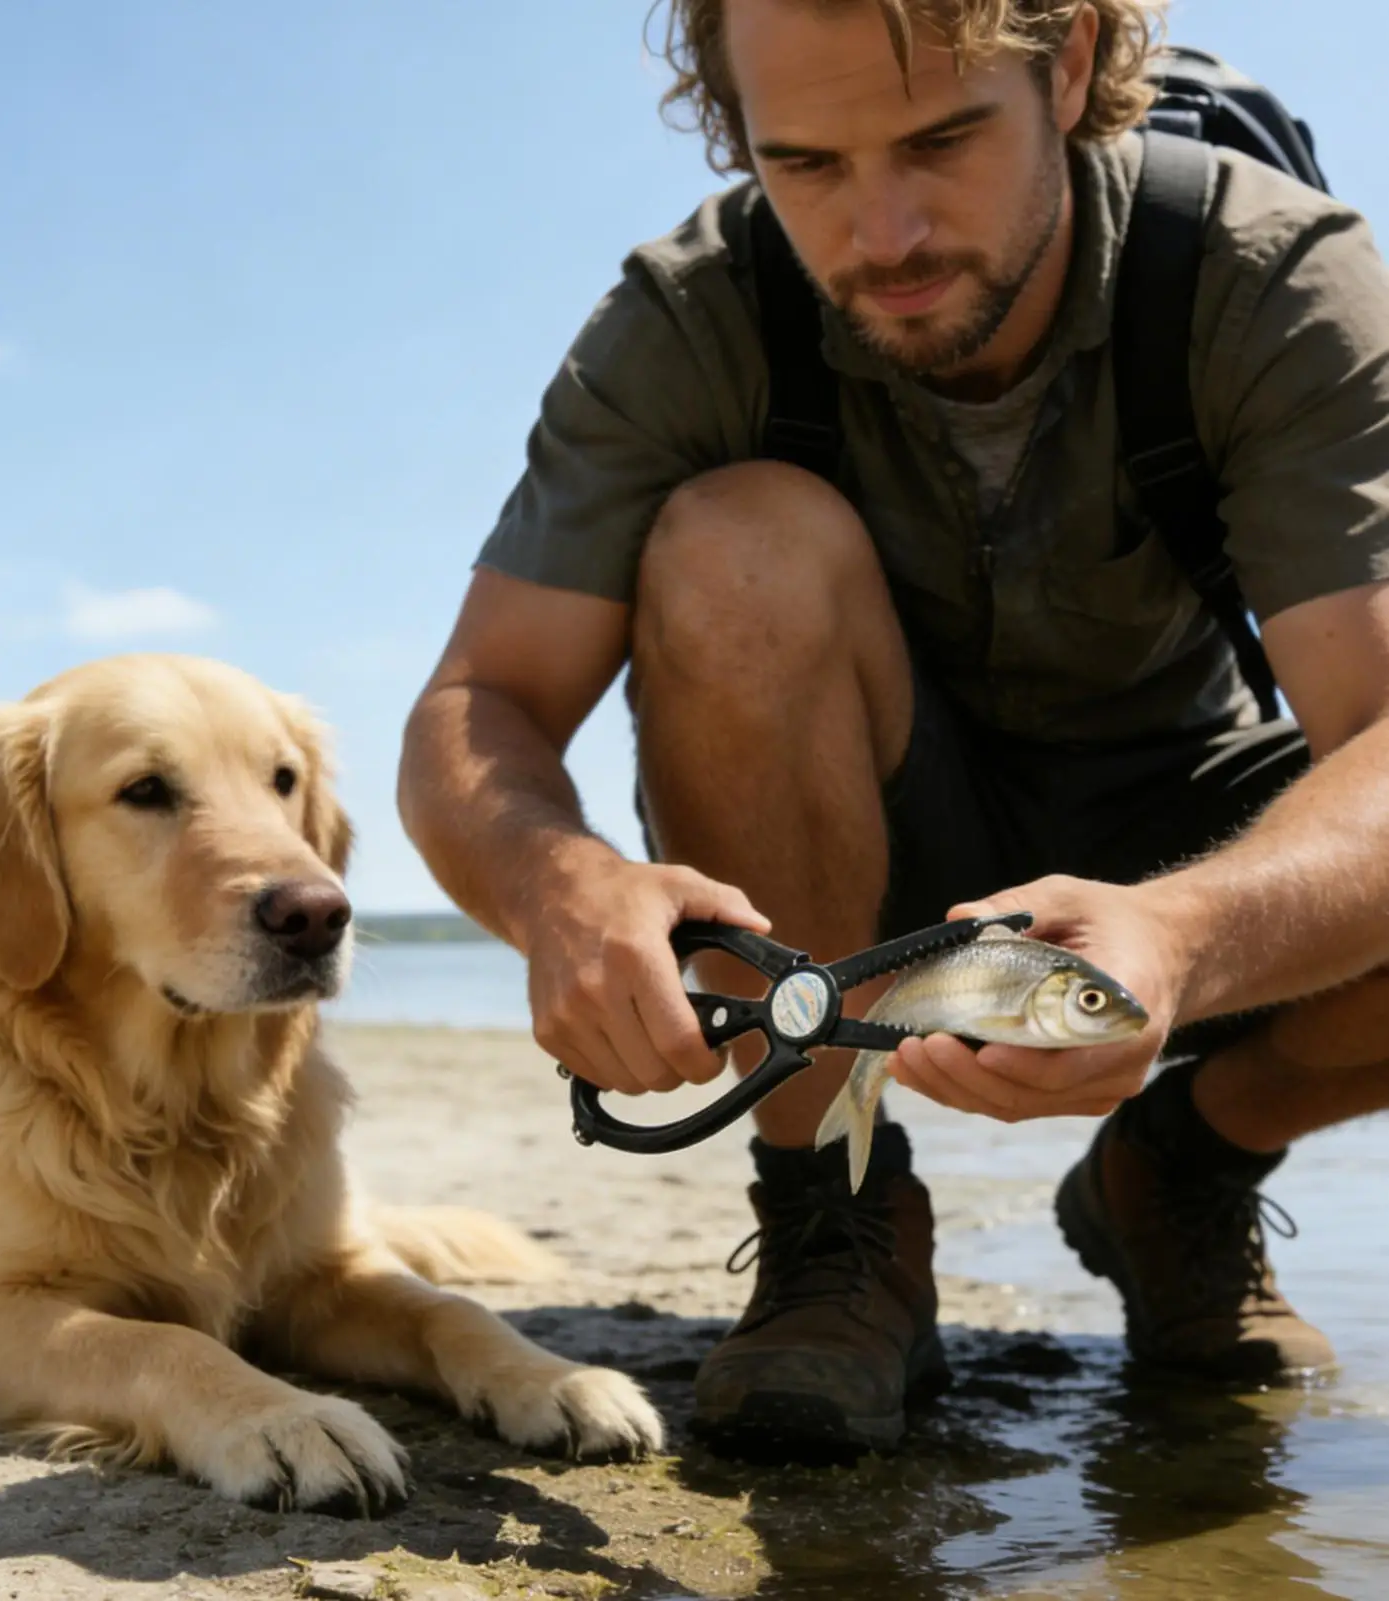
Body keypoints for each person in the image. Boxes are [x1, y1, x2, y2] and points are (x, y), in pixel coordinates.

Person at [397, 0, 1389, 1462]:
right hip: (844, 868)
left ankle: (1183, 1169)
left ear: (1066, 70)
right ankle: (834, 1224)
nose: (886, 234)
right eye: (806, 164)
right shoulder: (689, 318)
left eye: (942, 141)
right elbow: (478, 702)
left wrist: (1181, 940)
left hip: (1189, 842)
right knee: (737, 542)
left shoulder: (1269, 273)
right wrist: (561, 888)